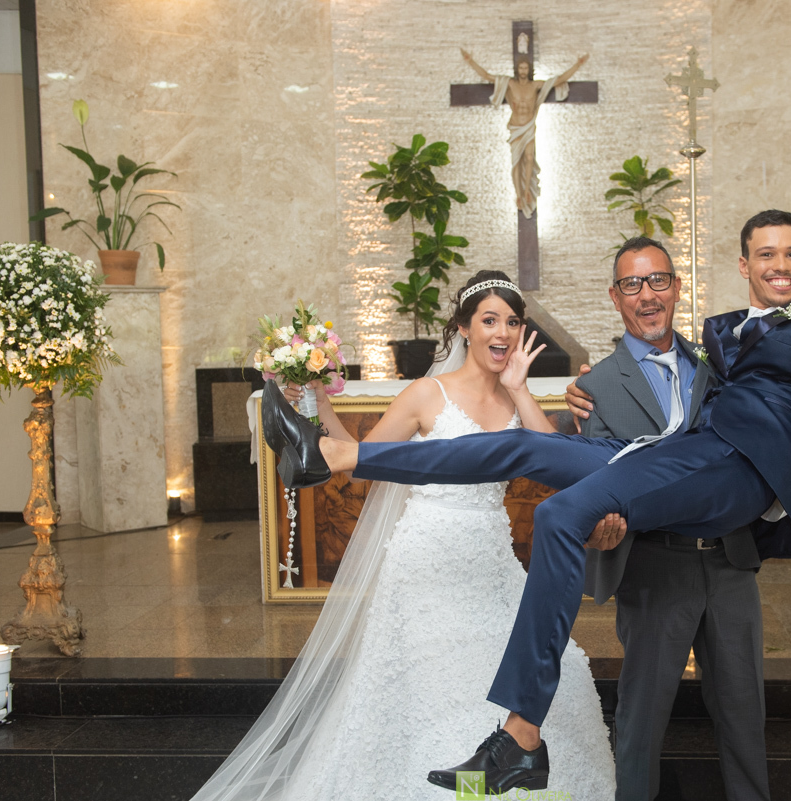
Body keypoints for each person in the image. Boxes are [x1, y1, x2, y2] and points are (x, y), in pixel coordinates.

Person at [262, 209, 791, 794]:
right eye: (766, 254)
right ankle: (335, 457)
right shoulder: (706, 342)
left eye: (790, 253)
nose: (779, 265)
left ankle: (521, 736)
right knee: (526, 454)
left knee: (562, 516)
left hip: (722, 478)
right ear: (745, 264)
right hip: (651, 484)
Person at [197, 271, 615, 801]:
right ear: (464, 328)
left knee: (554, 673)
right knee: (438, 688)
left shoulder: (517, 401)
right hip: (426, 560)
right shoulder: (426, 393)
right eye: (489, 320)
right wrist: (321, 404)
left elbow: (555, 460)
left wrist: (519, 389)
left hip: (491, 563)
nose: (502, 332)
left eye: (512, 322)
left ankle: (505, 770)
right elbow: (368, 464)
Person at [565, 235, 791, 801]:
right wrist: (598, 524)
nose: (647, 295)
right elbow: (594, 479)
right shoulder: (595, 388)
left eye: (658, 280)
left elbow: (767, 437)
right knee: (642, 718)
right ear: (615, 297)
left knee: (744, 712)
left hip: (731, 561)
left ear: (676, 288)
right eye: (632, 284)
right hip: (653, 566)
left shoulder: (722, 365)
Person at [461, 47, 588, 218]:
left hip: (528, 126)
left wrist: (578, 65)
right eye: (520, 68)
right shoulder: (510, 84)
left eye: (525, 68)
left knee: (529, 157)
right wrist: (470, 61)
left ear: (529, 70)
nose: (523, 71)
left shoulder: (535, 86)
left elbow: (558, 80)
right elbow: (487, 76)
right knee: (516, 161)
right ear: (517, 69)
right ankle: (519, 194)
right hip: (515, 127)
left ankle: (527, 189)